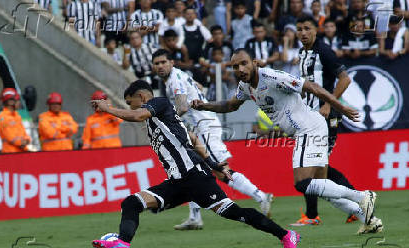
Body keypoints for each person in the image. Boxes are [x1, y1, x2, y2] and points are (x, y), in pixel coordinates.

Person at [91, 80, 300, 248]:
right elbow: (192, 138)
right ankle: (122, 245)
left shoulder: (160, 103)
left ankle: (285, 235)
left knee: (233, 212)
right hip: (177, 182)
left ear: (143, 98)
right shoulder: (161, 120)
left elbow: (137, 116)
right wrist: (214, 164)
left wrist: (107, 108)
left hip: (194, 177)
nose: (131, 108)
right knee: (131, 203)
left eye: (131, 103)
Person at [191, 48, 383, 234]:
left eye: (244, 63)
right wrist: (204, 105)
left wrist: (340, 107)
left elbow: (312, 87)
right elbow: (231, 105)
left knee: (302, 183)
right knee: (321, 187)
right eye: (235, 66)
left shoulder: (273, 77)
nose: (240, 69)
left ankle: (363, 196)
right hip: (310, 129)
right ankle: (368, 219)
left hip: (309, 128)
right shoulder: (245, 86)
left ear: (255, 63)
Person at [152, 49, 273, 230]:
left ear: (171, 62)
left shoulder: (174, 79)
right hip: (197, 127)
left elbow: (183, 106)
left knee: (220, 170)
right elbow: (199, 87)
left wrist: (167, 120)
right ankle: (194, 217)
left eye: (163, 62)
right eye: (157, 64)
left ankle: (260, 196)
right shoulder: (179, 76)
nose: (160, 66)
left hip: (204, 126)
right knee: (192, 171)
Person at [296, 16, 369, 227]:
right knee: (319, 166)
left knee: (312, 166)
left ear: (315, 31)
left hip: (327, 117)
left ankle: (312, 216)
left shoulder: (324, 52)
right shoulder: (302, 53)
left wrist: (329, 103)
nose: (303, 33)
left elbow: (345, 78)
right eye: (300, 29)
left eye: (307, 28)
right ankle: (358, 202)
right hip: (310, 118)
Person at [0, 88, 32, 153]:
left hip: (21, 152)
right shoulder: (3, 117)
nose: (19, 103)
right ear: (10, 102)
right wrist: (22, 142)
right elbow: (11, 137)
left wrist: (27, 140)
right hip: (10, 154)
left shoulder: (17, 116)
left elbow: (24, 133)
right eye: (17, 100)